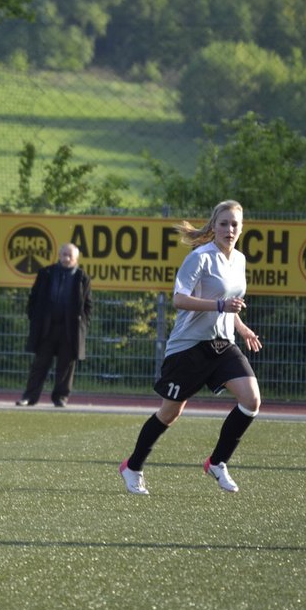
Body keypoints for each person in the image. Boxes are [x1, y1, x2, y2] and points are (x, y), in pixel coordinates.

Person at [119, 200, 263, 495]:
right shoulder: (200, 257)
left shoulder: (240, 260)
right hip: (189, 346)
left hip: (223, 345)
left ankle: (217, 461)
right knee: (170, 413)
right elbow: (179, 299)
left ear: (242, 228)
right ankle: (132, 467)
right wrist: (220, 305)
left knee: (252, 400)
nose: (229, 229)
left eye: (235, 224)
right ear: (213, 226)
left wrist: (242, 326)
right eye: (223, 223)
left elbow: (230, 306)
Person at [16, 243, 92, 407]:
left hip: (69, 330)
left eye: (69, 255)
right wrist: (35, 318)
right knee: (39, 365)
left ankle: (60, 398)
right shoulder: (46, 273)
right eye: (63, 254)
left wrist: (82, 324)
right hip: (47, 328)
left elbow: (87, 305)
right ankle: (29, 397)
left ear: (76, 258)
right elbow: (33, 298)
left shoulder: (82, 277)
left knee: (66, 367)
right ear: (59, 255)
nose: (66, 258)